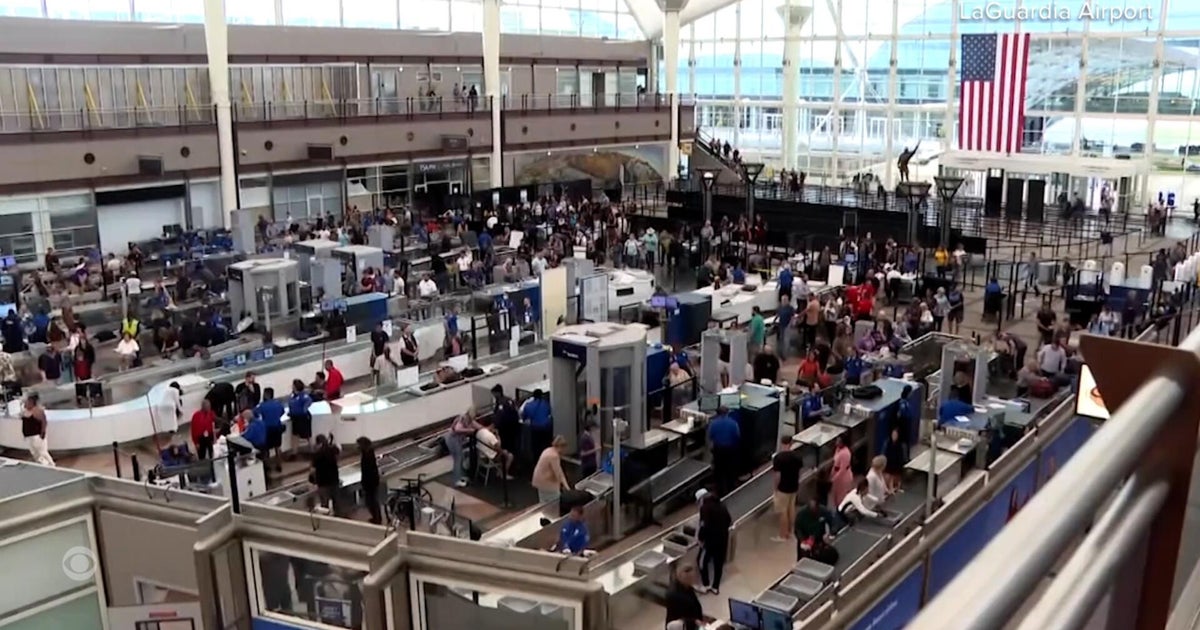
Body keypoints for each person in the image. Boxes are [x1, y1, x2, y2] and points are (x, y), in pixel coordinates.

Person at [696, 489, 732, 594]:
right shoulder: (721, 504)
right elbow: (729, 520)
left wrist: (700, 538)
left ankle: (705, 585)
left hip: (710, 541)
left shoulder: (705, 508)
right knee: (718, 563)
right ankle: (715, 587)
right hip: (723, 539)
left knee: (701, 561)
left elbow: (704, 525)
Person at [771, 435, 803, 542]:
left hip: (783, 488)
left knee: (783, 512)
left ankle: (782, 535)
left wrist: (775, 488)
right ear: (791, 443)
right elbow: (799, 473)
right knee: (791, 510)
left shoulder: (778, 458)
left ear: (781, 443)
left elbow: (777, 476)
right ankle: (790, 532)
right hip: (794, 487)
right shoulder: (797, 456)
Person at [707, 406, 741, 496]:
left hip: (718, 450)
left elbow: (710, 436)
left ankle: (720, 491)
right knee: (730, 469)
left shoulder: (713, 424)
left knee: (718, 470)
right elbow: (737, 435)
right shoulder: (733, 423)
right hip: (730, 450)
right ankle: (731, 489)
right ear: (727, 413)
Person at [664, 564, 710, 629]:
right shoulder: (675, 595)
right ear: (676, 574)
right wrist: (696, 621)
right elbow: (678, 621)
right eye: (687, 571)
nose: (692, 573)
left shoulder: (687, 587)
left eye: (693, 569)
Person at [444, 409, 480, 488]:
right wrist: (469, 430)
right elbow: (457, 429)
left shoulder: (470, 420)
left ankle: (459, 476)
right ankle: (456, 480)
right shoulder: (463, 418)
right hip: (453, 439)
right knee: (458, 459)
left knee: (460, 458)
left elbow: (478, 427)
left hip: (456, 439)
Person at [532, 435, 571, 504]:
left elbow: (559, 471)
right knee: (555, 502)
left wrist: (565, 485)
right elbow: (558, 474)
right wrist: (566, 487)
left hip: (539, 481)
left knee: (543, 503)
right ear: (561, 446)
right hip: (547, 483)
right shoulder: (554, 456)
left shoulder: (548, 450)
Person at [256, 387, 286, 472]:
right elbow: (282, 412)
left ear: (266, 395)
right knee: (277, 447)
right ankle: (279, 465)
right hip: (277, 427)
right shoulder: (278, 404)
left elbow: (256, 414)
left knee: (266, 448)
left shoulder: (262, 405)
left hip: (267, 429)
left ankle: (267, 466)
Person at [310, 434, 341, 513]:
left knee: (324, 505)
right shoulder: (332, 450)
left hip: (322, 482)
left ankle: (326, 518)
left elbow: (313, 470)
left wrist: (312, 481)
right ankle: (338, 516)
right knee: (337, 503)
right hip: (334, 480)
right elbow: (338, 450)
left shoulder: (317, 454)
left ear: (318, 443)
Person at [21, 393, 53, 466]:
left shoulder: (38, 411)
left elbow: (44, 422)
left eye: (27, 401)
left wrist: (42, 433)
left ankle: (51, 465)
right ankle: (43, 465)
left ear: (32, 402)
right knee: (35, 454)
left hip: (36, 436)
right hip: (29, 436)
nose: (26, 402)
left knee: (42, 452)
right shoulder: (26, 411)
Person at [357, 436, 382, 524]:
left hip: (370, 482)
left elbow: (367, 470)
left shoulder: (367, 454)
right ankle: (377, 517)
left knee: (371, 501)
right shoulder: (369, 452)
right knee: (373, 500)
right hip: (372, 481)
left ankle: (376, 518)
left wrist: (364, 482)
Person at [521, 389, 554, 456]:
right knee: (546, 445)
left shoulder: (529, 405)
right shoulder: (546, 403)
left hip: (535, 429)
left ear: (533, 396)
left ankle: (537, 459)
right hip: (547, 428)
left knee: (536, 448)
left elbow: (524, 416)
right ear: (541, 395)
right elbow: (548, 413)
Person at [288, 379, 313, 453]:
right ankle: (294, 452)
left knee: (307, 435)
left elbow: (309, 401)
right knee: (295, 435)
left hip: (303, 418)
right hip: (295, 418)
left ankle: (312, 450)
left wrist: (303, 409)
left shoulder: (303, 395)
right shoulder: (293, 395)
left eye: (293, 385)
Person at [830, 435, 854, 508]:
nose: (836, 442)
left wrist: (834, 478)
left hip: (843, 477)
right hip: (836, 475)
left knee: (841, 497)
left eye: (838, 441)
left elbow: (842, 469)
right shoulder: (838, 449)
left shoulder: (845, 453)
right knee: (835, 496)